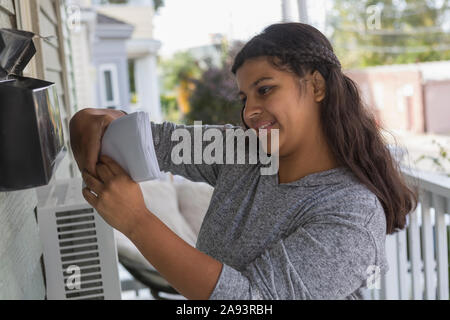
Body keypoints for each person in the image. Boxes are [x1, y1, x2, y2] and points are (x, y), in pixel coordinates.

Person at [70, 23, 417, 300]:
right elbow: (152, 141)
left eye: (265, 89)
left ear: (315, 87)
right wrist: (94, 119)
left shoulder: (353, 212)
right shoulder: (242, 150)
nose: (249, 111)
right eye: (244, 96)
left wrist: (136, 221)